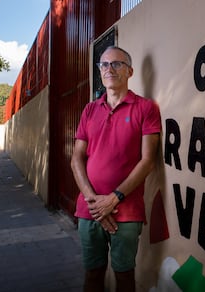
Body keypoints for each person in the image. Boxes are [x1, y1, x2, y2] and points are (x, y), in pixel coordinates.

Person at [71, 46, 161, 292]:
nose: (109, 69)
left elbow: (148, 162)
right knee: (92, 275)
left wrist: (113, 199)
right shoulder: (90, 110)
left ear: (130, 71)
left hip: (127, 209)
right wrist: (95, 204)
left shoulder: (146, 108)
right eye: (103, 64)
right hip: (89, 209)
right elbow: (76, 158)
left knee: (124, 277)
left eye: (116, 64)